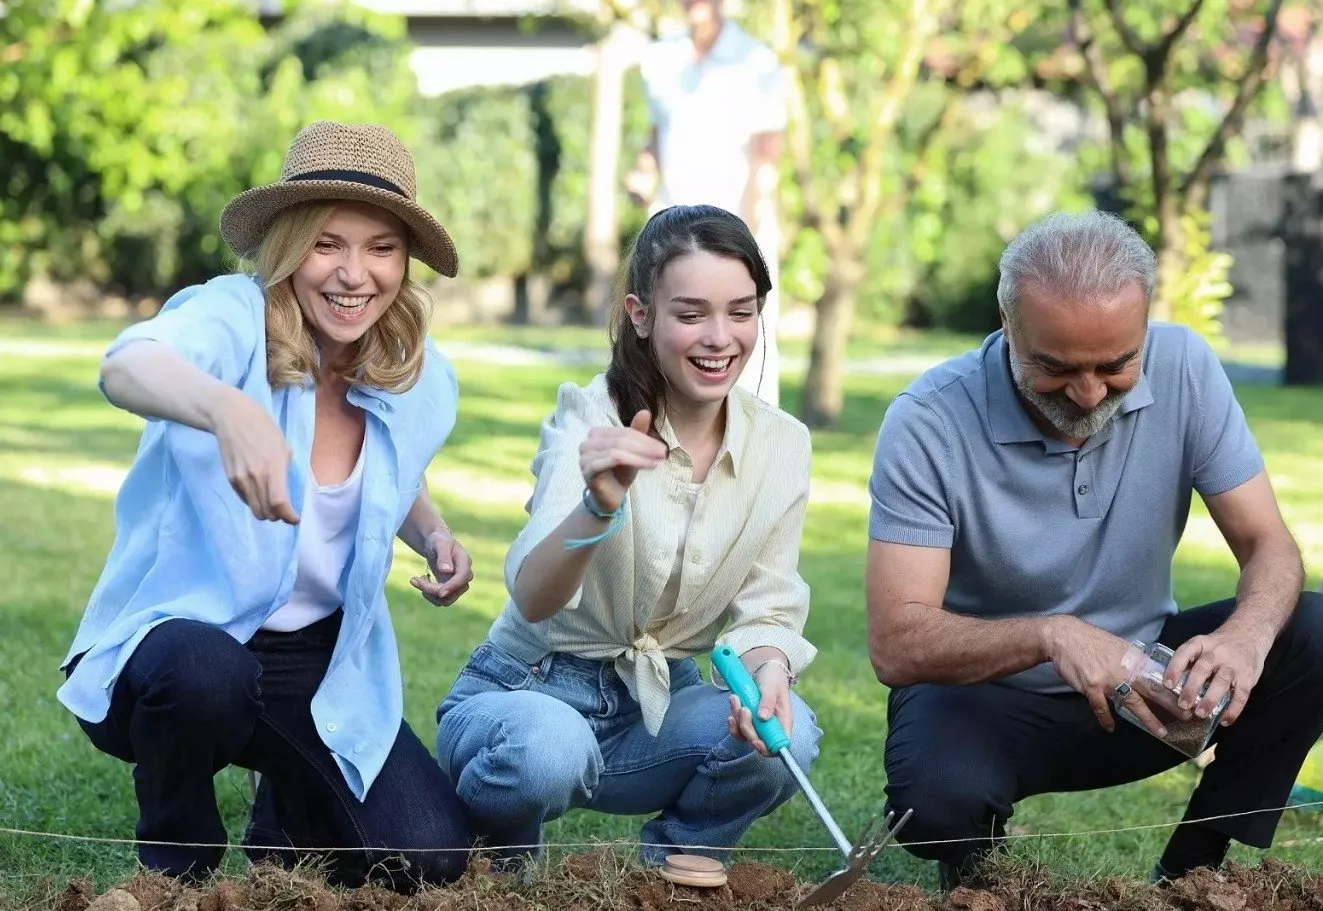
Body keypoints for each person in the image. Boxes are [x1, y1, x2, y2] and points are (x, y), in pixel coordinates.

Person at [864, 209, 1323, 889]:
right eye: (1056, 366)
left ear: (1145, 328)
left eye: (1117, 364)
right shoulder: (928, 421)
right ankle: (979, 879)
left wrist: (1244, 636)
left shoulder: (1185, 366)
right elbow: (897, 642)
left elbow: (1268, 544)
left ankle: (1192, 875)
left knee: (1317, 632)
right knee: (936, 799)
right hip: (988, 700)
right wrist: (1050, 635)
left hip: (1148, 693)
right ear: (1008, 327)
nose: (1089, 392)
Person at [56, 121, 477, 891]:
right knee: (206, 672)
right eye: (328, 243)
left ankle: (282, 813)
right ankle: (173, 865)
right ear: (287, 244)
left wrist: (433, 530)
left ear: (405, 262)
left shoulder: (415, 371)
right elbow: (126, 366)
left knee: (430, 856)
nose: (355, 274)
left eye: (381, 248)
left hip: (310, 661)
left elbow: (391, 469)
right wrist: (227, 409)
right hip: (180, 642)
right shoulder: (230, 318)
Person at [435, 204, 821, 874]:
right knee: (546, 751)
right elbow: (531, 595)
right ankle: (490, 840)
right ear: (641, 315)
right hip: (530, 693)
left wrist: (769, 674)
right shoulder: (590, 415)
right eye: (691, 313)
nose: (720, 337)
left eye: (741, 310)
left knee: (792, 734)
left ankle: (676, 863)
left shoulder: (783, 445)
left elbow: (770, 606)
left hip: (660, 704)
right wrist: (598, 503)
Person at [626, 0, 786, 406]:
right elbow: (659, 133)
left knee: (735, 337)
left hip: (736, 228)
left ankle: (750, 446)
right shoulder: (661, 59)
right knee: (661, 336)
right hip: (670, 231)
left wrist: (749, 232)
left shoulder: (756, 60)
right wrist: (644, 171)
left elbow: (767, 150)